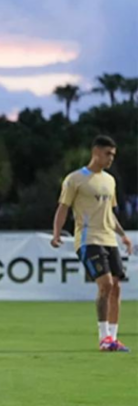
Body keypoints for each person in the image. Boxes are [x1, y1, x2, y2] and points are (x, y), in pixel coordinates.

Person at [52, 135, 133, 352]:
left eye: (113, 155)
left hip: (109, 239)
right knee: (105, 284)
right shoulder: (75, 179)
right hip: (89, 239)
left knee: (116, 288)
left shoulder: (110, 180)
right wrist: (57, 233)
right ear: (96, 152)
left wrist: (123, 235)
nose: (111, 159)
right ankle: (103, 337)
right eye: (108, 154)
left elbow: (109, 214)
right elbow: (63, 208)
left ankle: (113, 339)